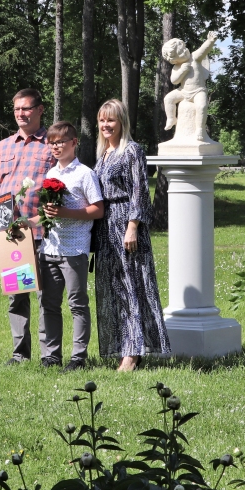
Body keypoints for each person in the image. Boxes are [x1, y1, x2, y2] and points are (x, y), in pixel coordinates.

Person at [0, 89, 55, 365]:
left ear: (40, 110)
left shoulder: (52, 145)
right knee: (17, 296)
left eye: (26, 109)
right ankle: (20, 355)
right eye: (17, 109)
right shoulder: (3, 146)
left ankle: (49, 356)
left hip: (44, 232)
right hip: (12, 235)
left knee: (47, 296)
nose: (21, 114)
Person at [92, 99, 171, 371]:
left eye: (110, 120)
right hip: (105, 229)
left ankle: (133, 351)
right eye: (102, 120)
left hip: (127, 225)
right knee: (114, 290)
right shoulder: (103, 155)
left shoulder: (132, 151)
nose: (105, 125)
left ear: (122, 122)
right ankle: (122, 345)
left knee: (133, 286)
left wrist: (133, 225)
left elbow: (139, 190)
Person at [35, 121, 104, 370]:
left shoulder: (85, 174)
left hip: (74, 250)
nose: (55, 146)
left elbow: (98, 209)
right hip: (49, 249)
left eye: (61, 142)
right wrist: (25, 223)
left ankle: (78, 357)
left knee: (77, 304)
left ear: (74, 143)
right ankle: (51, 355)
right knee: (48, 304)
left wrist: (65, 212)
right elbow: (47, 214)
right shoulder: (50, 175)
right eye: (51, 142)